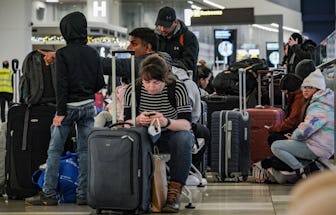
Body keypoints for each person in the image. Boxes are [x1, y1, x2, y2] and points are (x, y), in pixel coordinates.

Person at [25, 11, 105, 206]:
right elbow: (99, 84)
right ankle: (83, 194)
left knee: (55, 151)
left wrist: (60, 113)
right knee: (86, 151)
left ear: (66, 31)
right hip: (88, 107)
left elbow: (61, 85)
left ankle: (49, 193)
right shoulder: (93, 53)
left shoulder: (63, 54)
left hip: (66, 108)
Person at [124, 54, 194, 213]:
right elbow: (126, 123)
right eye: (147, 82)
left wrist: (166, 122)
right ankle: (136, 190)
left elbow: (186, 124)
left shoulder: (177, 88)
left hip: (171, 133)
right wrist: (138, 119)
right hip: (145, 133)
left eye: (156, 82)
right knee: (132, 136)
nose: (151, 87)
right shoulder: (133, 89)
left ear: (165, 79)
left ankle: (174, 192)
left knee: (184, 138)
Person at [270, 69, 334, 182]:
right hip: (322, 145)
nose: (305, 90)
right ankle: (312, 167)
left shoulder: (318, 106)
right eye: (304, 87)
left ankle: (300, 170)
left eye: (310, 87)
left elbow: (307, 129)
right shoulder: (324, 103)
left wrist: (293, 137)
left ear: (318, 89)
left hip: (317, 147)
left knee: (276, 146)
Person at [155, 6, 199, 83]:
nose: (162, 29)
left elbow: (188, 63)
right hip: (159, 82)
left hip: (183, 82)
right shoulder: (156, 37)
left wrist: (165, 66)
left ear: (175, 22)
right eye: (160, 25)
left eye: (166, 26)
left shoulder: (188, 38)